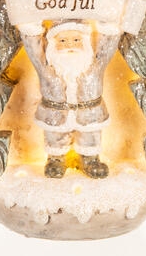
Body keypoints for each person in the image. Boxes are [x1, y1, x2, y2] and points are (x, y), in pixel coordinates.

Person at [18, 20, 122, 178]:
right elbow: (34, 50)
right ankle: (56, 158)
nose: (70, 45)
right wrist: (31, 29)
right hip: (55, 113)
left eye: (76, 40)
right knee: (55, 136)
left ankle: (90, 158)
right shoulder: (46, 68)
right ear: (53, 44)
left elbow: (106, 48)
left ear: (85, 42)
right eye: (62, 41)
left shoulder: (94, 66)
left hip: (89, 114)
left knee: (90, 135)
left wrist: (109, 26)